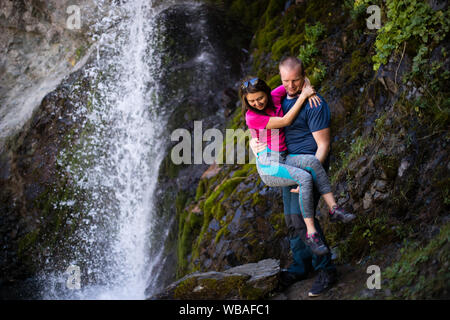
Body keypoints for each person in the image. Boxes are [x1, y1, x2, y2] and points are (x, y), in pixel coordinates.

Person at [248, 56, 353, 297]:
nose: (291, 86)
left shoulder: (315, 104)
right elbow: (263, 122)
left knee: (304, 220)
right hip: (286, 165)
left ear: (303, 77)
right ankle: (301, 266)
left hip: (309, 166)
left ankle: (326, 270)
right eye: (286, 81)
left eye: (296, 80)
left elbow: (323, 146)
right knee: (291, 221)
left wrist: (307, 174)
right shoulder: (279, 100)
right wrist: (254, 143)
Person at [240, 76, 355, 255]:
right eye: (252, 101)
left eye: (260, 98)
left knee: (312, 162)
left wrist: (308, 91)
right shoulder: (252, 116)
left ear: (267, 93)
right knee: (304, 177)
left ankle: (334, 209)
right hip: (269, 166)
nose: (257, 103)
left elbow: (299, 80)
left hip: (284, 157)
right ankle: (311, 233)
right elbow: (285, 121)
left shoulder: (276, 96)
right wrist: (303, 97)